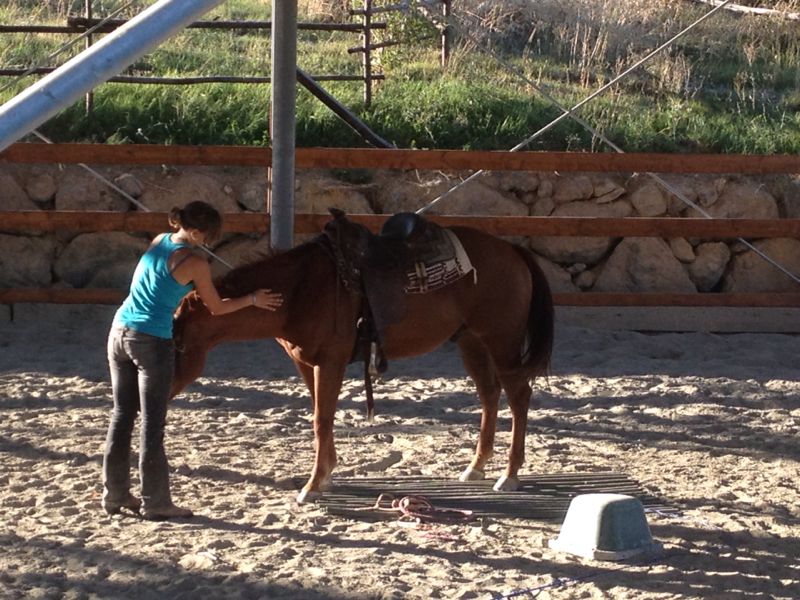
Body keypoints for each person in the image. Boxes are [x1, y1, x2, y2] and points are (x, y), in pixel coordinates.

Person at [102, 201, 282, 520]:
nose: (208, 243)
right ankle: (156, 502)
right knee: (152, 424)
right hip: (151, 340)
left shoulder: (160, 240)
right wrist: (252, 299)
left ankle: (114, 494)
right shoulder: (195, 262)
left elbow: (155, 284)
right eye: (207, 236)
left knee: (121, 415)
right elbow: (217, 307)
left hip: (118, 331)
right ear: (196, 231)